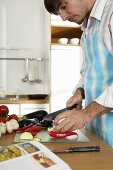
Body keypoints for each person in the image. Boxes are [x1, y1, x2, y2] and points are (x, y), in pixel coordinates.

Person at [44, 0, 113, 147]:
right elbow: (89, 70)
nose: (62, 17)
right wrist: (80, 92)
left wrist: (87, 113)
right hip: (98, 135)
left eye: (64, 6)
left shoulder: (111, 14)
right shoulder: (88, 29)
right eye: (58, 13)